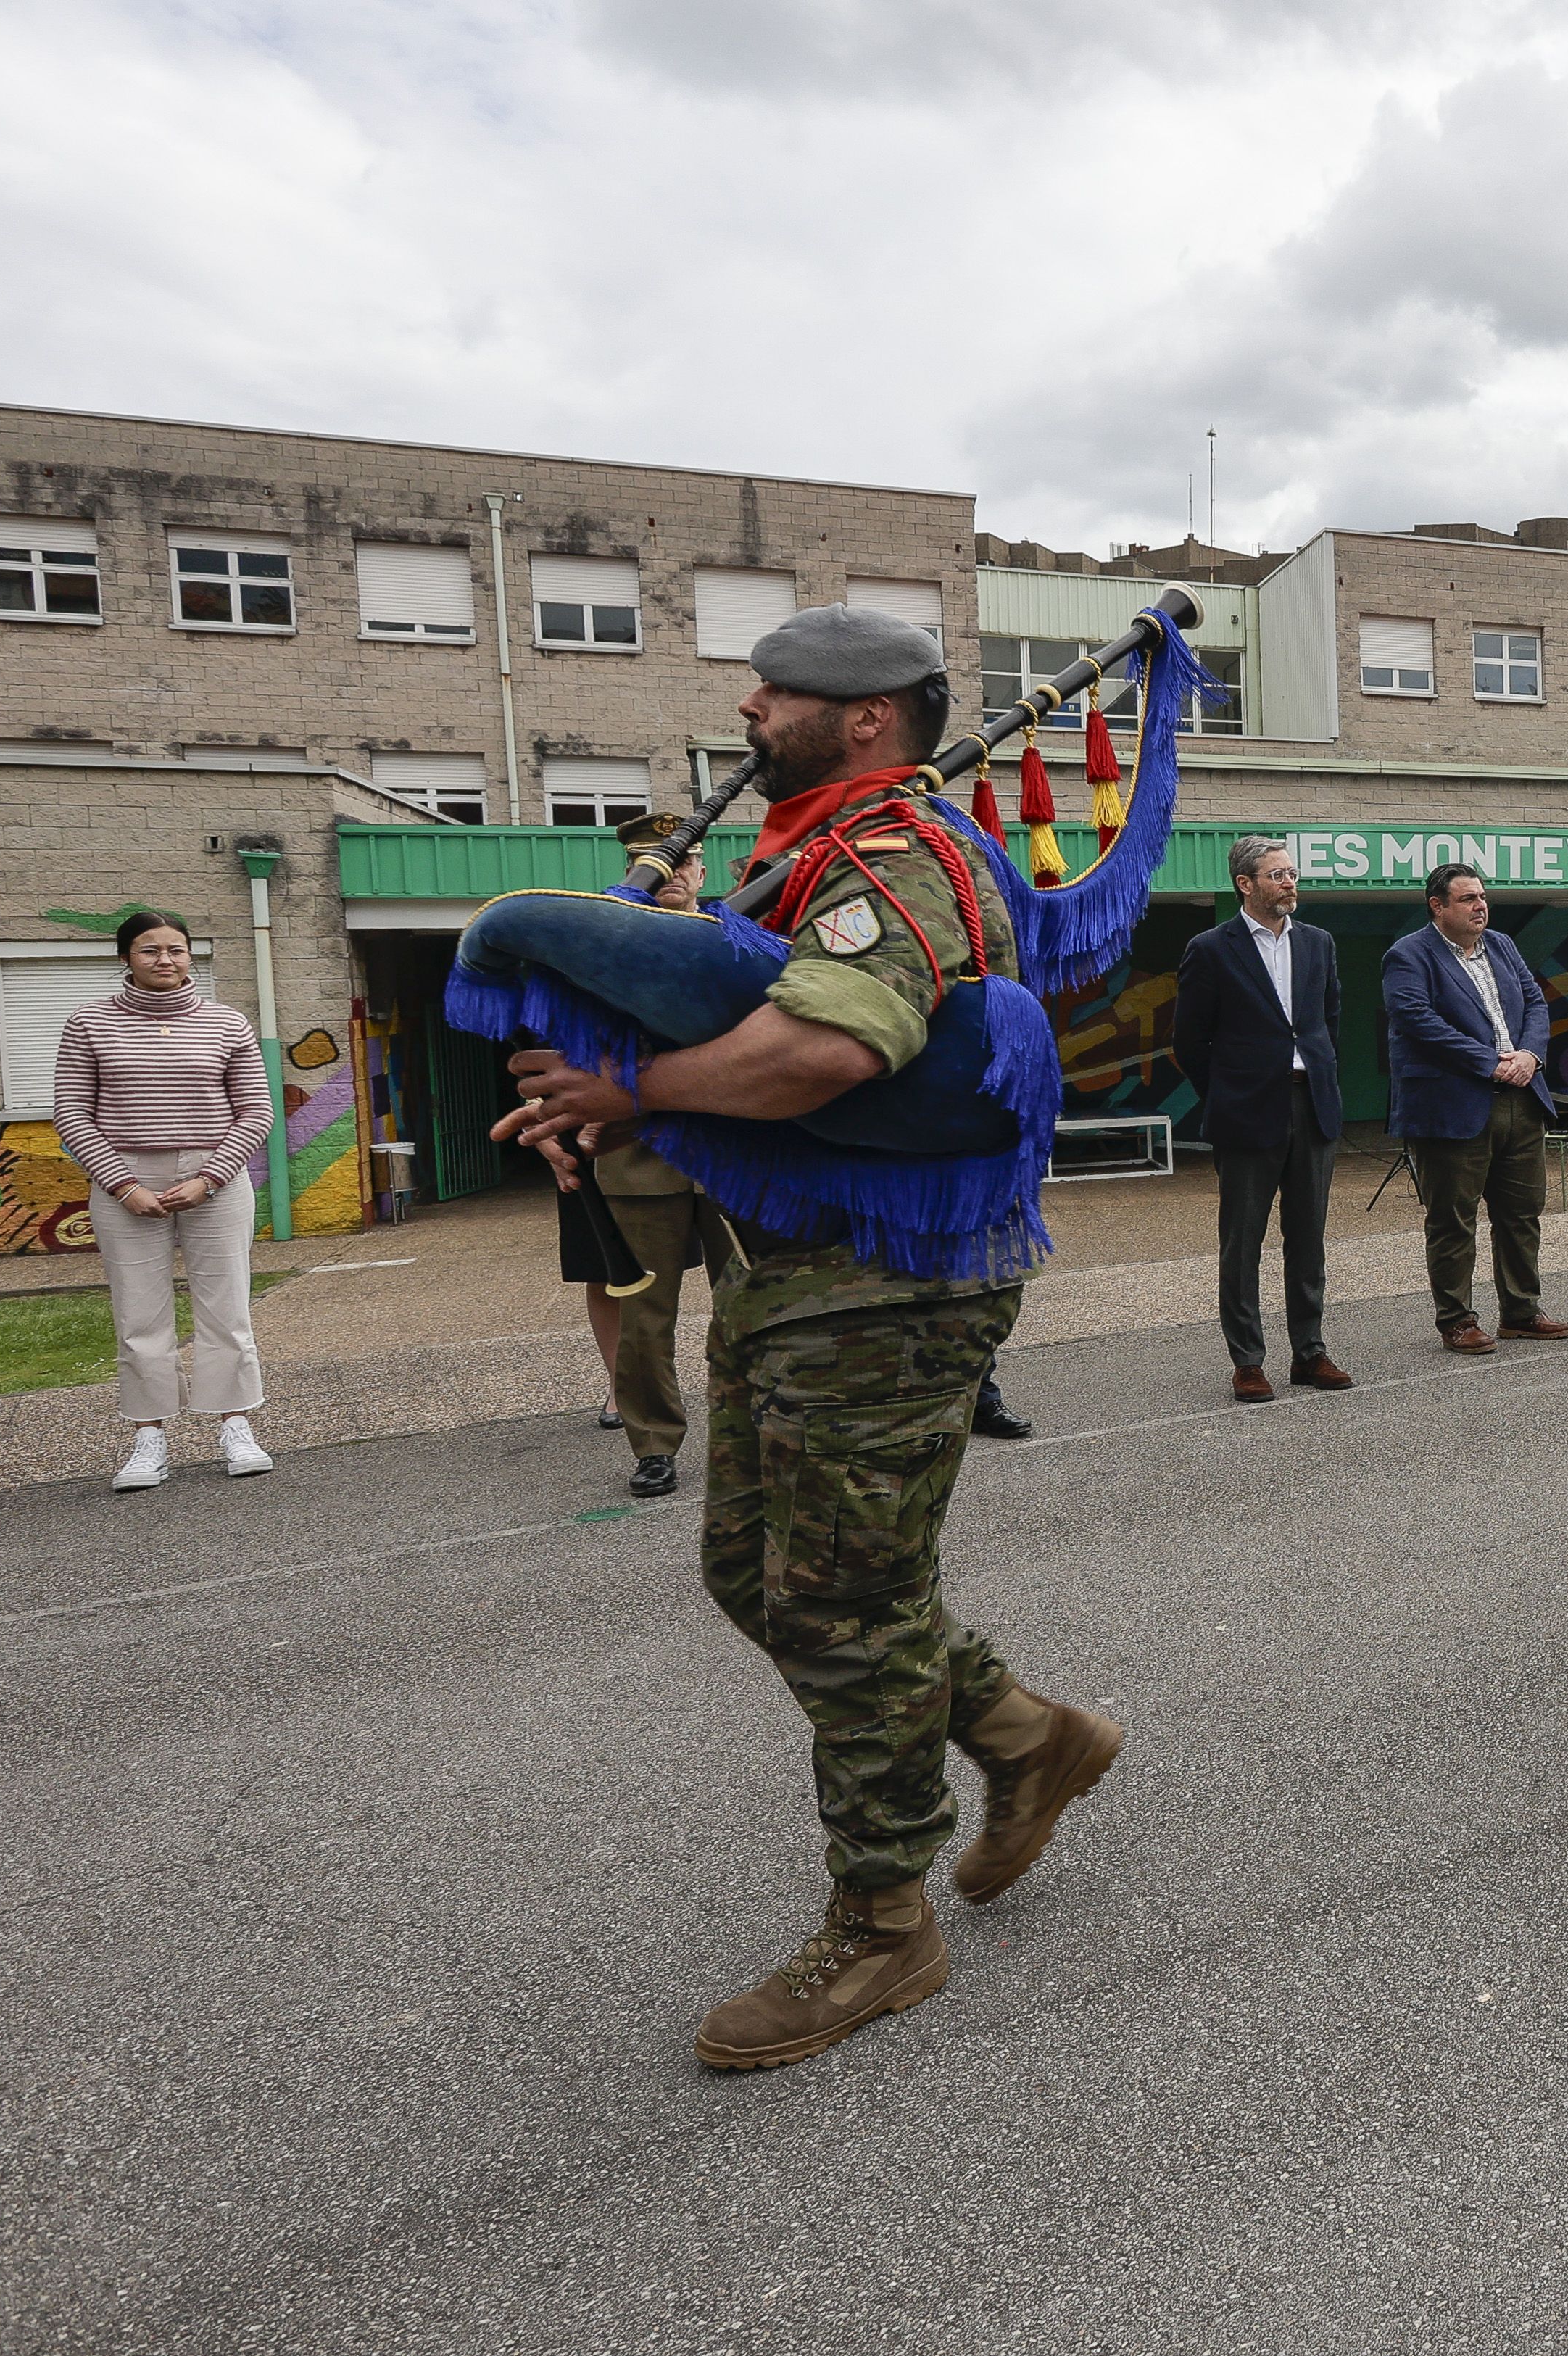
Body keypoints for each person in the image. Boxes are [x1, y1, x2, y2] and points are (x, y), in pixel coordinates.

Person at [496, 605, 1119, 2070]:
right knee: (760, 1573)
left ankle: (884, 1918)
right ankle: (1028, 1734)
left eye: (777, 693)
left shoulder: (895, 853)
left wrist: (637, 1093)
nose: (750, 708)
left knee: (844, 1595)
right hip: (794, 1269)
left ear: (865, 716)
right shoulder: (807, 850)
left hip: (884, 1282)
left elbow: (829, 1048)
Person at [53, 909, 273, 1493]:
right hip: (124, 1181)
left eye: (176, 950)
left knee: (226, 1309)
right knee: (138, 1315)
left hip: (215, 1181)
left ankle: (235, 1425)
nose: (165, 960)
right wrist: (122, 1186)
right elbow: (72, 1112)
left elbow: (256, 1110)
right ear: (125, 957)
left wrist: (211, 1177)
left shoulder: (227, 1023)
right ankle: (149, 1436)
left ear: (189, 956)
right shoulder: (88, 1024)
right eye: (150, 950)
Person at [560, 813, 708, 1498]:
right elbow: (570, 1054)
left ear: (701, 872)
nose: (672, 876)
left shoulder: (738, 940)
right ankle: (653, 1445)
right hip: (640, 1157)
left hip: (734, 1157)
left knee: (753, 1306)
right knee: (646, 1317)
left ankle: (756, 1435)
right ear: (632, 871)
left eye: (684, 864)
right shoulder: (598, 949)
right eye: (656, 863)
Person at [1174, 834, 1349, 1401]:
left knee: (1308, 1240)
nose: (1290, 883)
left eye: (1292, 873)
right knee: (1242, 1241)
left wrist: (1319, 1073)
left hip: (1311, 1104)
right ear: (1246, 884)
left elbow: (1330, 1020)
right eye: (1278, 875)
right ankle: (1248, 1360)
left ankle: (1310, 1353)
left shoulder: (1320, 943)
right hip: (1247, 1113)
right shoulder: (1211, 948)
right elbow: (1189, 1041)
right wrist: (1228, 1093)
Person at [1382, 864, 1568, 1353]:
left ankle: (1522, 1311)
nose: (1480, 906)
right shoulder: (1408, 955)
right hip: (1453, 1105)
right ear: (1437, 906)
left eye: (1482, 896)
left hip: (1521, 1100)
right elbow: (1418, 1021)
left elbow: (1535, 1001)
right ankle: (1457, 1320)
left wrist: (1529, 1055)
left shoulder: (1503, 945)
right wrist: (1491, 1063)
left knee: (1522, 1214)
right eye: (1467, 899)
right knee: (1453, 1219)